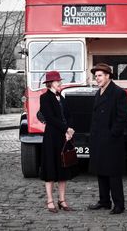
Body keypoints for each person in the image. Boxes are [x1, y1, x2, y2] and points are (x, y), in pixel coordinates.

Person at [88, 63, 127, 214]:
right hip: (98, 139)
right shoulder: (98, 93)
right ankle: (104, 201)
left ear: (108, 76)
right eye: (96, 76)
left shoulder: (119, 93)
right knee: (101, 170)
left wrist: (113, 134)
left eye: (99, 75)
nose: (97, 78)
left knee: (113, 173)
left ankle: (119, 205)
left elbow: (124, 116)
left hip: (112, 141)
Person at [39, 70, 76, 213]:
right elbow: (50, 118)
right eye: (57, 81)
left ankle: (62, 200)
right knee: (50, 168)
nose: (60, 82)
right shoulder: (45, 98)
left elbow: (69, 115)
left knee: (63, 168)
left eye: (60, 80)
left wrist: (70, 129)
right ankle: (49, 201)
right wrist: (66, 128)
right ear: (50, 83)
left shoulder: (62, 97)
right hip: (51, 138)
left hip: (63, 137)